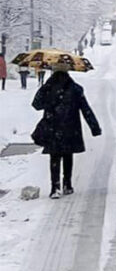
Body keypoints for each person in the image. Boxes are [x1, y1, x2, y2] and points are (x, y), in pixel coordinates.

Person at [31, 64, 101, 199]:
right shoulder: (75, 89)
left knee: (54, 157)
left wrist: (44, 88)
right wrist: (94, 127)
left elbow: (36, 105)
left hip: (53, 127)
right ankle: (67, 185)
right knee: (68, 156)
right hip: (70, 128)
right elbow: (86, 110)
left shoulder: (48, 88)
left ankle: (55, 188)